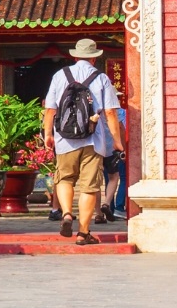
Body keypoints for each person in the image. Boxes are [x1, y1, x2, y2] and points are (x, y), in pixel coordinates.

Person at [41, 38, 125, 245]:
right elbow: (110, 113)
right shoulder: (102, 78)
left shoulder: (60, 75)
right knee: (89, 186)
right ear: (94, 59)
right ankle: (83, 232)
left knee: (65, 179)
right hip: (93, 139)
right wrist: (117, 141)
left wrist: (48, 135)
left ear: (75, 56)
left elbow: (50, 109)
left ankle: (67, 214)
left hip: (64, 138)